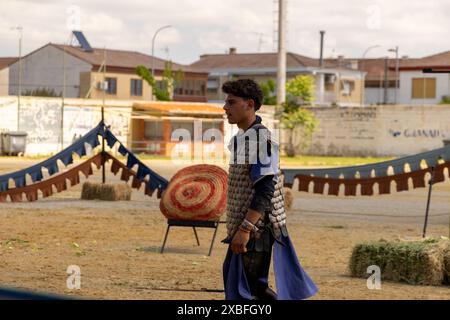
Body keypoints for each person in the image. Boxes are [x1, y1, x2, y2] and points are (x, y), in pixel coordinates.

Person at [221, 79, 318, 300]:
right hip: (249, 226)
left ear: (250, 104)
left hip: (258, 228)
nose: (225, 108)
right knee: (246, 285)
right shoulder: (242, 138)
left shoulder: (261, 139)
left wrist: (245, 230)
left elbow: (265, 190)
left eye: (231, 102)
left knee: (251, 289)